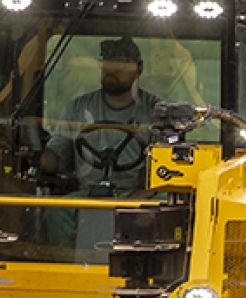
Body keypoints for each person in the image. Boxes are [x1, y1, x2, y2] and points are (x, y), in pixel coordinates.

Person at [43, 36, 161, 197]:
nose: (111, 73)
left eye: (119, 68)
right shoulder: (77, 109)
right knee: (55, 211)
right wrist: (40, 157)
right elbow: (59, 153)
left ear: (139, 70)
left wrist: (130, 206)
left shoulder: (157, 113)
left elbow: (165, 170)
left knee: (161, 203)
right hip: (87, 193)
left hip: (138, 196)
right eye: (106, 67)